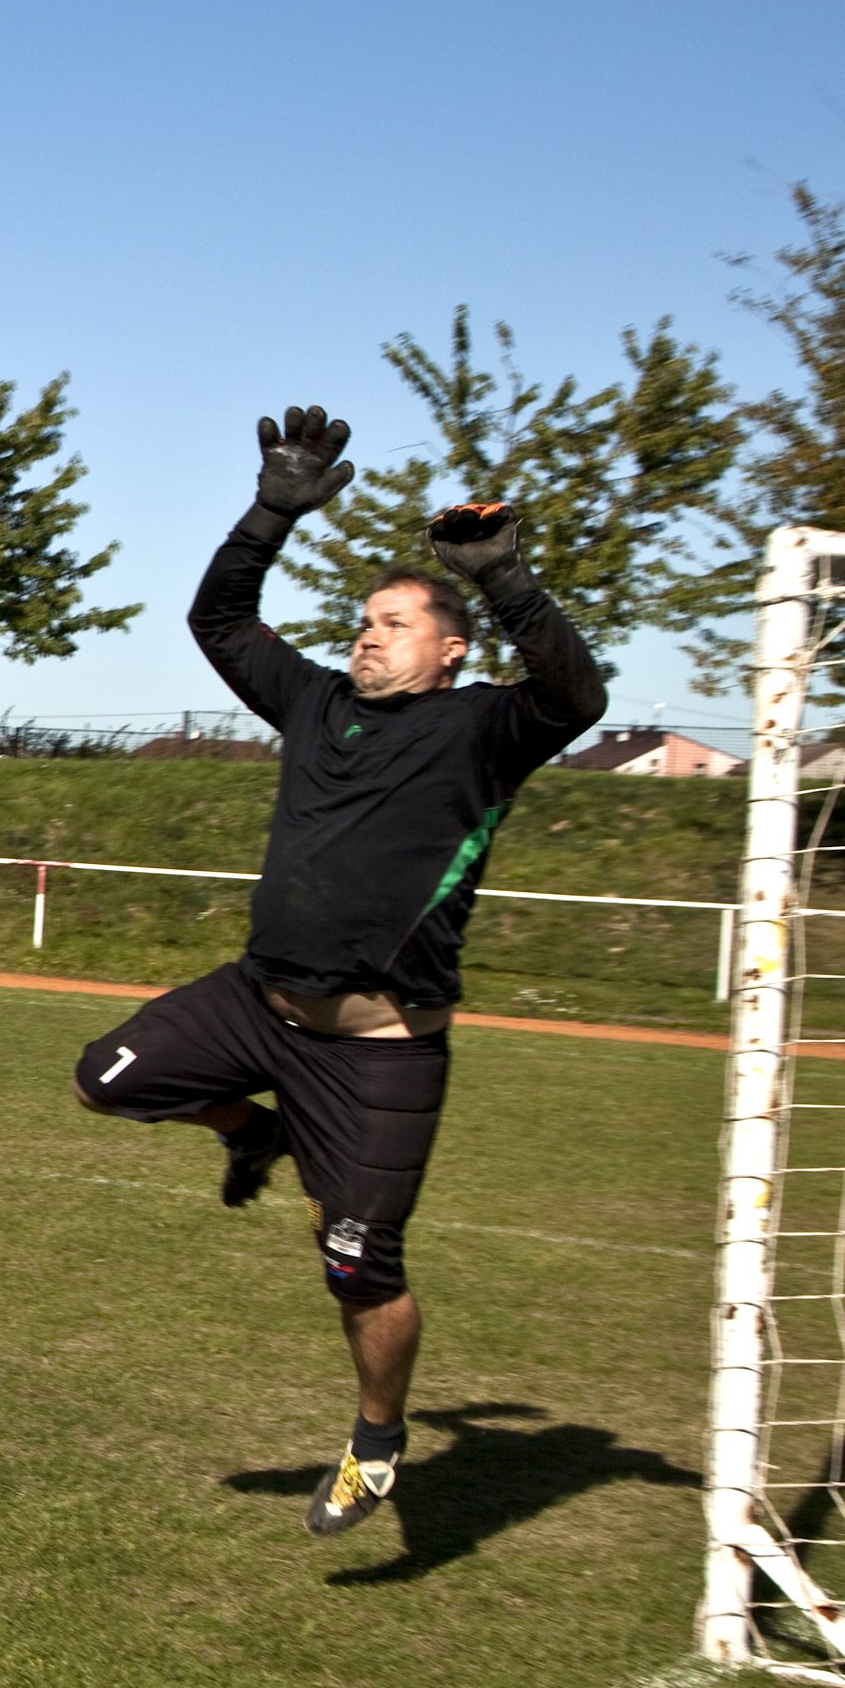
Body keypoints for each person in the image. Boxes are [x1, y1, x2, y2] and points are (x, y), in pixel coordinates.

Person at [72, 406, 606, 1538]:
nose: (368, 637)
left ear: (449, 647)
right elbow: (217, 617)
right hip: (255, 1006)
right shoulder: (313, 701)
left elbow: (577, 698)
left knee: (359, 1268)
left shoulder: (487, 726)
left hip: (379, 1054)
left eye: (397, 622)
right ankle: (250, 1130)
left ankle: (374, 1440)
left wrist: (505, 579)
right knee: (105, 1077)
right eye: (363, 621)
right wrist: (272, 510)